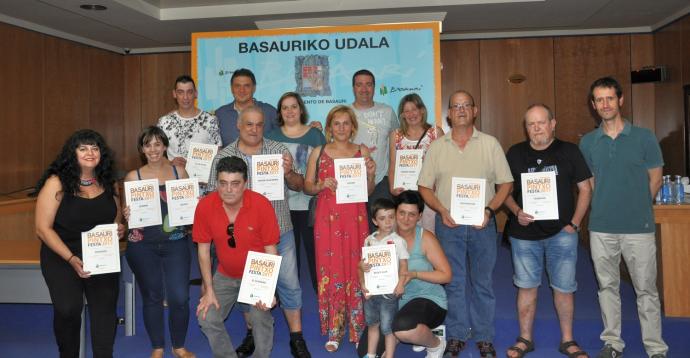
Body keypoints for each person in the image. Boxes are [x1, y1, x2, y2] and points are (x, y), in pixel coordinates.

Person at [207, 106, 311, 358]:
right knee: (246, 287)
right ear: (239, 126)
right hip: (241, 237)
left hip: (279, 231)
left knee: (289, 284)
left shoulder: (278, 151)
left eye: (259, 124)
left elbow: (299, 185)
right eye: (249, 124)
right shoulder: (225, 156)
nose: (254, 129)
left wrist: (289, 172)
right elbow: (213, 194)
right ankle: (252, 334)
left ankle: (296, 338)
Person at [418, 90, 513, 357]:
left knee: (483, 283)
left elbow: (506, 183)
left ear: (475, 111)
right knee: (455, 282)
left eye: (466, 105)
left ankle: (484, 337)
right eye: (455, 106)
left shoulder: (490, 144)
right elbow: (424, 187)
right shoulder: (437, 147)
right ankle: (457, 335)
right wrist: (441, 210)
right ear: (449, 113)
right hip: (448, 226)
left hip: (483, 225)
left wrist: (490, 210)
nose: (460, 110)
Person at [579, 77, 668, 358]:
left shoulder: (645, 137)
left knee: (646, 290)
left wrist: (637, 204)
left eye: (609, 98)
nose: (604, 104)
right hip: (601, 227)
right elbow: (590, 182)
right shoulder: (588, 141)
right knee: (607, 287)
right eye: (599, 100)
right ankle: (612, 343)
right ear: (593, 105)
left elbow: (655, 178)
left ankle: (656, 348)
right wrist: (608, 202)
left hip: (638, 228)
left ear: (620, 100)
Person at [503, 104, 592, 358]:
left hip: (561, 234)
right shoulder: (516, 153)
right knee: (526, 287)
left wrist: (574, 223)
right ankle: (525, 339)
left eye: (541, 122)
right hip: (524, 237)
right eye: (531, 124)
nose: (536, 128)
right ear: (526, 127)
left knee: (564, 288)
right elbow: (504, 191)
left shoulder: (569, 151)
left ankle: (568, 340)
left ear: (553, 124)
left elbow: (585, 188)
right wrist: (515, 211)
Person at [34, 129, 124, 358]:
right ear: (72, 153)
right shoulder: (57, 183)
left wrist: (117, 227)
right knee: (68, 309)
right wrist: (72, 259)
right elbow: (42, 229)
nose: (90, 152)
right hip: (63, 255)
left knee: (104, 311)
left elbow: (115, 214)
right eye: (82, 148)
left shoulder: (108, 181)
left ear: (101, 153)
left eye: (94, 148)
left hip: (101, 256)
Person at [304, 105, 376, 352]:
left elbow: (369, 192)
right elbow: (307, 187)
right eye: (337, 123)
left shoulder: (361, 151)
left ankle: (358, 326)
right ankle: (335, 329)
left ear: (353, 127)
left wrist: (371, 174)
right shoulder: (319, 152)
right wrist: (321, 184)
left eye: (346, 123)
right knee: (332, 270)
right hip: (327, 220)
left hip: (355, 218)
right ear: (329, 127)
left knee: (357, 268)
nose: (342, 128)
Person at [194, 156, 278, 358]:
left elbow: (271, 250)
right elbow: (203, 251)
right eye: (223, 183)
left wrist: (269, 290)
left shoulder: (261, 204)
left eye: (235, 184)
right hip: (225, 274)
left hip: (257, 274)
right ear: (216, 183)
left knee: (260, 316)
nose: (228, 190)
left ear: (245, 184)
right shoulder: (205, 206)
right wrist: (209, 290)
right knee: (206, 315)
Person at [122, 126, 195, 358]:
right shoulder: (134, 177)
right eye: (147, 145)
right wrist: (126, 213)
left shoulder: (179, 172)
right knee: (152, 296)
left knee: (179, 296)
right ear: (142, 149)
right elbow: (127, 214)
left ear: (164, 146)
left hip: (176, 243)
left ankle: (179, 345)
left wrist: (193, 205)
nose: (153, 149)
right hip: (142, 246)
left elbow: (189, 208)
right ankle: (158, 347)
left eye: (157, 144)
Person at [266, 92, 326, 293]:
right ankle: (286, 296)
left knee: (314, 252)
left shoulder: (315, 135)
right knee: (287, 257)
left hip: (310, 204)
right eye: (285, 107)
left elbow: (324, 167)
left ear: (301, 109)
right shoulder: (271, 137)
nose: (290, 111)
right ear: (280, 112)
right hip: (280, 206)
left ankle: (322, 295)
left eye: (294, 106)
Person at [390, 190, 452, 358]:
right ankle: (418, 334)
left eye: (412, 214)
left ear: (419, 216)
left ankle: (436, 345)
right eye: (401, 213)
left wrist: (415, 274)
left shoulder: (426, 238)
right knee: (366, 350)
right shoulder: (384, 237)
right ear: (395, 213)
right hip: (395, 301)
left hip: (428, 298)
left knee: (402, 328)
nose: (406, 219)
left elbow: (446, 275)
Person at [348, 69, 399, 231]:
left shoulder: (387, 111)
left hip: (381, 182)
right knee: (355, 230)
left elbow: (399, 141)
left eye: (368, 84)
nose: (364, 89)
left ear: (374, 87)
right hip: (351, 181)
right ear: (353, 88)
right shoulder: (344, 113)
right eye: (359, 85)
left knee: (385, 231)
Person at [358, 198, 409, 358]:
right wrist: (362, 281)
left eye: (391, 217)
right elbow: (361, 265)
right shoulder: (369, 240)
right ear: (374, 221)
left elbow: (404, 266)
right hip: (371, 293)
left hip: (389, 293)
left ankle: (389, 355)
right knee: (373, 324)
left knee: (388, 328)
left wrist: (401, 284)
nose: (387, 222)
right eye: (382, 218)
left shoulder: (399, 242)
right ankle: (371, 354)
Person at [388, 93, 444, 233]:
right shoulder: (396, 135)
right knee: (404, 237)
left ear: (422, 110)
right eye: (407, 111)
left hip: (430, 196)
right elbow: (393, 165)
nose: (411, 114)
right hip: (405, 196)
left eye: (414, 109)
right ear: (402, 115)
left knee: (428, 235)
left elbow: (443, 166)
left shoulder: (435, 133)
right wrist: (392, 187)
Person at [157, 75, 222, 168]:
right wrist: (169, 163)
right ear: (174, 94)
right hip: (174, 179)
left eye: (189, 92)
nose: (185, 97)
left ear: (196, 93)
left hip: (202, 181)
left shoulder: (210, 120)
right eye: (180, 92)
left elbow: (218, 152)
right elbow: (155, 152)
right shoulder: (164, 122)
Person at [215, 68, 279, 147]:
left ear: (254, 88)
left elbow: (284, 139)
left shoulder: (270, 112)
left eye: (247, 86)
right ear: (231, 88)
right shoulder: (220, 114)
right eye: (237, 86)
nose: (242, 90)